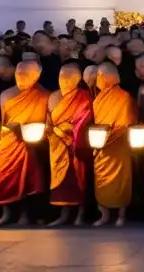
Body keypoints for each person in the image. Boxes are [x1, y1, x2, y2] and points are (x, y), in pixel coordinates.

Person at [0, 60, 50, 226]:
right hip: (9, 142)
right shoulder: (6, 94)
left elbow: (48, 122)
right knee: (3, 178)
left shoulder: (45, 95)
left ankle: (27, 214)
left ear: (37, 75)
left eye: (26, 74)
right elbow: (4, 121)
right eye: (18, 73)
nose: (21, 77)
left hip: (32, 143)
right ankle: (7, 212)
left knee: (30, 178)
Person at [47, 64, 93, 226]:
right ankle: (63, 213)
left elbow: (83, 120)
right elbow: (48, 121)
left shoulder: (84, 96)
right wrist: (55, 131)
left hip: (76, 145)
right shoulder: (53, 96)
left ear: (78, 79)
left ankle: (80, 214)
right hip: (57, 146)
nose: (64, 81)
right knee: (60, 180)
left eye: (68, 77)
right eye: (61, 77)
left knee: (79, 178)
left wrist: (68, 134)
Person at [92, 63, 136, 227]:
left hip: (119, 146)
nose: (97, 80)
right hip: (101, 146)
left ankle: (121, 215)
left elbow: (126, 124)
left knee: (122, 181)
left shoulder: (124, 97)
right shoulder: (98, 98)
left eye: (99, 76)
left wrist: (107, 139)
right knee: (101, 180)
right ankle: (104, 214)